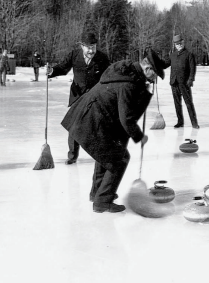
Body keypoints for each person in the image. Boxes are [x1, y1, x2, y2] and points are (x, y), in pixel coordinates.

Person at [61, 49, 165, 213]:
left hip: (88, 116)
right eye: (155, 75)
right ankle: (102, 201)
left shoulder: (125, 73)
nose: (154, 80)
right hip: (92, 121)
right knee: (119, 159)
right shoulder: (128, 83)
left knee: (107, 155)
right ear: (147, 69)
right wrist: (139, 136)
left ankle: (97, 193)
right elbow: (126, 118)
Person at [47, 32, 110, 164]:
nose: (91, 50)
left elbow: (109, 75)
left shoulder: (102, 58)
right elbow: (62, 68)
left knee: (97, 126)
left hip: (95, 97)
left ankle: (100, 155)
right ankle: (72, 156)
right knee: (74, 126)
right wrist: (52, 71)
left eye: (93, 46)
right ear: (82, 46)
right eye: (88, 47)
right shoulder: (74, 55)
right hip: (77, 96)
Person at [162, 34, 199, 129]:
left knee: (188, 103)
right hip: (174, 83)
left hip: (184, 83)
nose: (179, 45)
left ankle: (194, 123)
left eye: (181, 43)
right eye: (177, 44)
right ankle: (180, 121)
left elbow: (192, 69)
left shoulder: (189, 55)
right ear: (175, 45)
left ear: (183, 42)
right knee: (177, 103)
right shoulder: (172, 55)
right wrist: (154, 61)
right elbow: (164, 65)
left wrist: (191, 79)